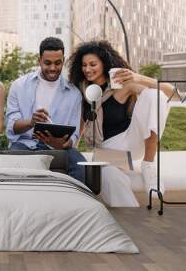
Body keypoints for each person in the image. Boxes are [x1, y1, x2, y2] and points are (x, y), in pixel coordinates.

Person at [68, 40, 173, 203]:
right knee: (111, 177)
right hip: (107, 151)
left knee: (155, 95)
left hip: (131, 142)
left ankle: (149, 164)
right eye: (84, 65)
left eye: (93, 64)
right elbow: (82, 124)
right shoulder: (83, 90)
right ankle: (129, 220)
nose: (87, 69)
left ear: (104, 63)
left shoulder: (122, 85)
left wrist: (139, 77)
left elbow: (173, 93)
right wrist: (71, 149)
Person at [5, 37, 86, 183]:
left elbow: (73, 138)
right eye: (47, 63)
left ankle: (68, 204)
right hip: (24, 144)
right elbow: (12, 128)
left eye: (58, 63)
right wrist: (31, 122)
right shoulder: (19, 86)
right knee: (12, 163)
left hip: (59, 148)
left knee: (82, 168)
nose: (53, 68)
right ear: (39, 60)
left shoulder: (74, 93)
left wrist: (61, 144)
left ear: (64, 60)